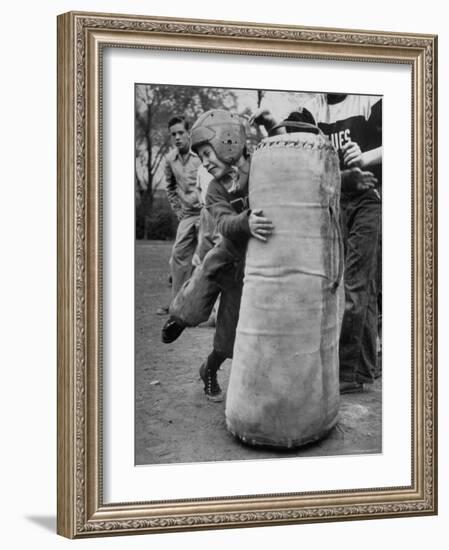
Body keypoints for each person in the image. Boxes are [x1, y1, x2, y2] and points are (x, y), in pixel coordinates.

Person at [252, 93, 382, 393]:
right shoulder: (312, 109)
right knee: (350, 285)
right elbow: (295, 151)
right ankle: (363, 368)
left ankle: (347, 373)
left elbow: (413, 137)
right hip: (335, 200)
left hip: (369, 198)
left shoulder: (370, 99)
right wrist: (272, 123)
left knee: (356, 285)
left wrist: (366, 157)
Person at [162, 109, 274, 402]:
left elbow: (286, 164)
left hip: (249, 269)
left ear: (229, 141)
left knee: (227, 340)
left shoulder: (260, 168)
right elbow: (224, 222)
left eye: (207, 153)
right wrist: (245, 221)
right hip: (226, 254)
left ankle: (208, 370)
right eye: (199, 155)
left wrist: (272, 127)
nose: (205, 162)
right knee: (197, 292)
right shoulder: (213, 189)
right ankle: (179, 317)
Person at [163, 115, 202, 305]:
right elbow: (169, 187)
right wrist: (177, 210)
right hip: (187, 215)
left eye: (181, 133)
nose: (177, 137)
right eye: (173, 134)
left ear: (189, 134)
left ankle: (206, 308)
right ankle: (177, 306)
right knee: (178, 256)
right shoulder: (170, 159)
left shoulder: (202, 155)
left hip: (206, 214)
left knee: (206, 257)